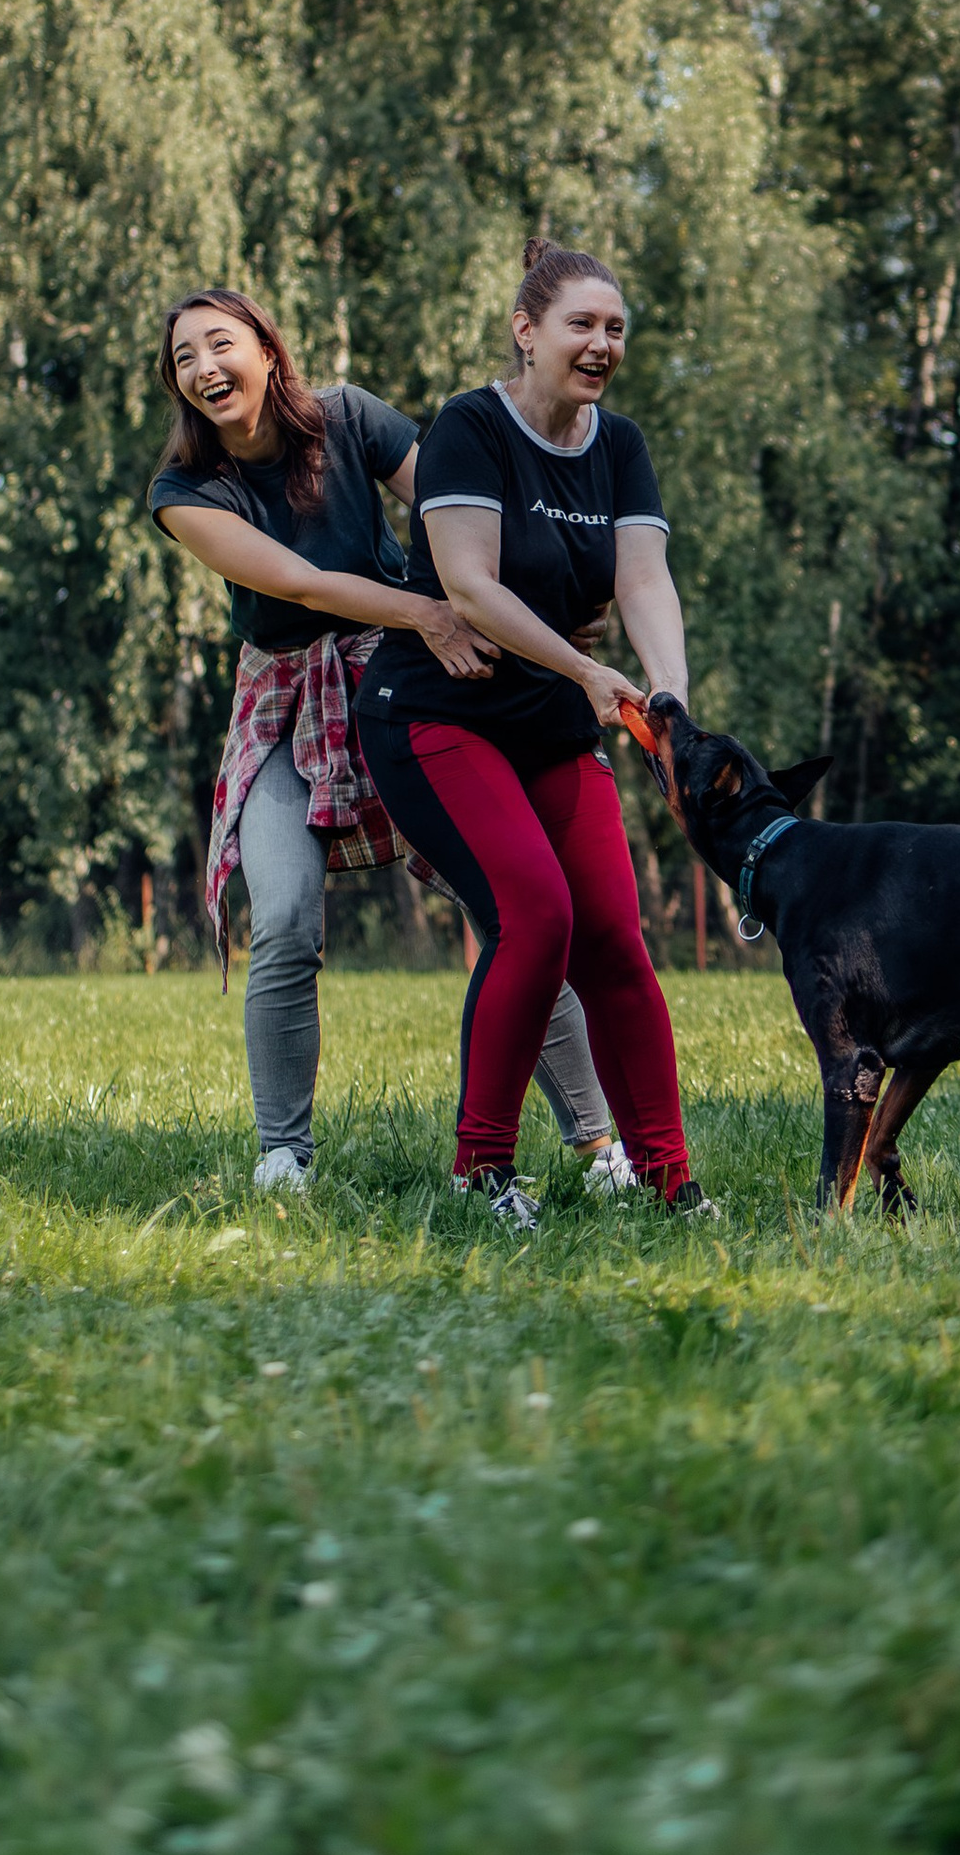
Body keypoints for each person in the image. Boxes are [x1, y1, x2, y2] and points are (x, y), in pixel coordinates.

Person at [148, 288, 635, 1195]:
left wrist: (548, 616)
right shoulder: (184, 492)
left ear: (267, 349)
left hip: (399, 684)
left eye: (221, 344)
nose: (205, 367)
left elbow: (469, 511)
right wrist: (433, 610)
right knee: (285, 919)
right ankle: (282, 1154)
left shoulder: (348, 417)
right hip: (287, 701)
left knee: (518, 912)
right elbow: (297, 581)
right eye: (184, 358)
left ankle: (600, 1146)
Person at [356, 241, 715, 1228]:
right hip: (437, 714)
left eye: (615, 330)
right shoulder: (472, 426)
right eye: (581, 326)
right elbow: (468, 582)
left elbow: (641, 577)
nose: (602, 345)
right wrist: (587, 668)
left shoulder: (619, 445)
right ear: (527, 331)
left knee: (612, 938)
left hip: (549, 720)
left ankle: (670, 1180)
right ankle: (480, 1177)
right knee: (534, 916)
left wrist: (668, 689)